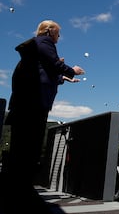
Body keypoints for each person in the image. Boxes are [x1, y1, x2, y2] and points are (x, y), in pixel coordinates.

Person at [0, 19, 85, 213]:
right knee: (29, 148)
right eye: (58, 33)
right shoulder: (44, 43)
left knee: (23, 148)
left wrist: (62, 77)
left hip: (27, 104)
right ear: (49, 32)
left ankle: (17, 192)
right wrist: (72, 70)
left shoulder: (35, 48)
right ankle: (22, 194)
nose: (59, 37)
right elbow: (53, 63)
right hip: (34, 103)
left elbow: (44, 70)